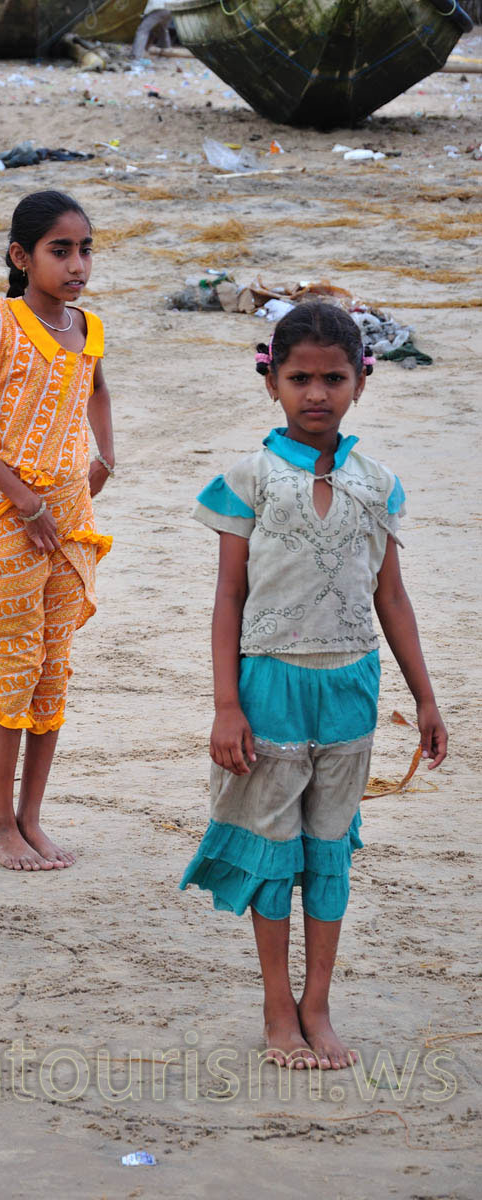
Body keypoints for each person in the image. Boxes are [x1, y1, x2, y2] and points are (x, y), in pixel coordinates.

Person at [180, 301, 447, 1069]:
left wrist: (424, 697)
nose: (317, 394)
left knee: (329, 850)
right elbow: (228, 597)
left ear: (362, 380)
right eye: (300, 378)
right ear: (273, 383)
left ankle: (317, 1006)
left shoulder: (378, 483)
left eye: (334, 377)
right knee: (273, 850)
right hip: (268, 686)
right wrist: (226, 705)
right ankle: (276, 1009)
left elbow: (390, 597)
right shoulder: (249, 479)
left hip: (351, 687)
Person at [0, 190, 115, 872]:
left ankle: (31, 818)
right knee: (13, 664)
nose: (77, 264)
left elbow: (96, 390)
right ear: (21, 256)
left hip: (70, 517)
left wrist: (106, 456)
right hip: (15, 522)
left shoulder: (88, 326)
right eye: (60, 250)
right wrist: (25, 502)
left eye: (85, 250)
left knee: (52, 668)